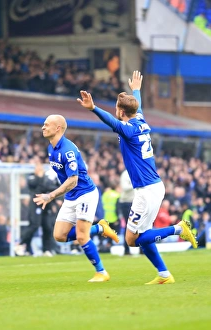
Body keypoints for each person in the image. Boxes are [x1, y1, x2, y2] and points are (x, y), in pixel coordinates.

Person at [77, 70, 198, 285]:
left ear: (121, 112)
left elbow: (113, 124)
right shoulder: (139, 119)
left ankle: (178, 229)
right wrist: (136, 91)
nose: (115, 112)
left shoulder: (129, 129)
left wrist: (93, 108)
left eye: (117, 109)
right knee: (143, 234)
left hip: (146, 190)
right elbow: (138, 107)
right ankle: (164, 275)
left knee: (132, 240)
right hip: (152, 187)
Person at [33, 114, 119, 282]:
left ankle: (101, 272)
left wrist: (51, 195)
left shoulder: (68, 150)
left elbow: (73, 180)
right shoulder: (51, 148)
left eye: (46, 124)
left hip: (85, 194)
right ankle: (100, 228)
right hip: (71, 196)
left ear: (58, 128)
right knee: (59, 236)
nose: (43, 127)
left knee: (81, 236)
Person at [15, 161, 61, 257]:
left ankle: (46, 249)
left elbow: (52, 187)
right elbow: (36, 185)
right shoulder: (32, 177)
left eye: (41, 168)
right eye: (38, 168)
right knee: (34, 225)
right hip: (36, 204)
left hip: (46, 205)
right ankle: (21, 244)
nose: (40, 170)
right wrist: (40, 177)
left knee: (47, 226)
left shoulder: (46, 178)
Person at [119, 169, 134, 255]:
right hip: (126, 202)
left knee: (139, 225)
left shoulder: (136, 171)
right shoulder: (125, 174)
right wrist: (136, 183)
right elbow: (124, 187)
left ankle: (142, 249)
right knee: (129, 226)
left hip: (135, 201)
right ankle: (126, 249)